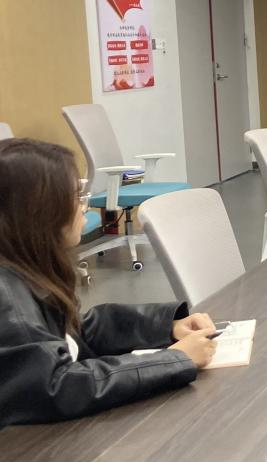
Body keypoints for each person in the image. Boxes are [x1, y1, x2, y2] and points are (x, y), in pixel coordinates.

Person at [0, 138, 218, 426]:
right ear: (39, 211)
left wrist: (167, 326)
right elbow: (57, 386)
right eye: (76, 196)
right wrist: (174, 359)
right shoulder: (7, 295)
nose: (84, 208)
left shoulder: (25, 269)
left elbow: (77, 333)